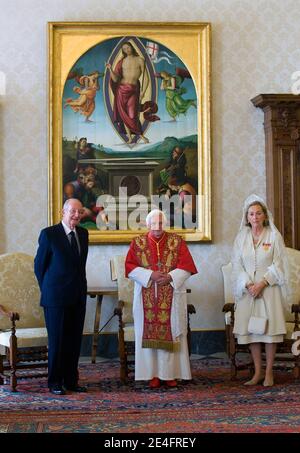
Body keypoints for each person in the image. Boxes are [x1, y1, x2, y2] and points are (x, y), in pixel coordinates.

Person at [125, 209, 197, 388]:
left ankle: (169, 374)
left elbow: (187, 266)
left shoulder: (177, 241)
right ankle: (152, 375)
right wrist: (150, 275)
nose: (157, 227)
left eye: (161, 223)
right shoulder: (138, 242)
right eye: (154, 223)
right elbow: (130, 267)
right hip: (146, 295)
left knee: (171, 331)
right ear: (148, 225)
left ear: (165, 224)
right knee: (148, 334)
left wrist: (170, 277)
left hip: (171, 294)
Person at [231, 194, 290, 387]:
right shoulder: (241, 237)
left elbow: (279, 264)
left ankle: (270, 373)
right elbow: (237, 265)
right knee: (252, 332)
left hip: (268, 289)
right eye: (251, 214)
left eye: (258, 213)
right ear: (246, 218)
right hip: (248, 291)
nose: (255, 217)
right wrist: (248, 284)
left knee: (270, 332)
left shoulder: (273, 236)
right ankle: (257, 372)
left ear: (264, 215)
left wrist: (262, 283)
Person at [34, 198, 89, 395]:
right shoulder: (49, 234)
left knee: (74, 341)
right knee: (57, 341)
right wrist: (49, 289)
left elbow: (79, 267)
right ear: (62, 212)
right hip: (55, 298)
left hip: (78, 297)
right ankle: (55, 382)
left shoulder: (83, 233)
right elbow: (39, 267)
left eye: (79, 212)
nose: (76, 215)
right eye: (72, 211)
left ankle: (71, 381)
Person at [106, 41, 150, 144]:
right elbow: (116, 79)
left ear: (132, 47)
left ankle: (141, 136)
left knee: (132, 115)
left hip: (133, 90)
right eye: (124, 49)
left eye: (128, 47)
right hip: (121, 90)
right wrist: (110, 69)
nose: (127, 50)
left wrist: (143, 91)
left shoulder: (140, 60)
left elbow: (146, 78)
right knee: (124, 115)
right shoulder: (121, 62)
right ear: (123, 51)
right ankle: (130, 138)